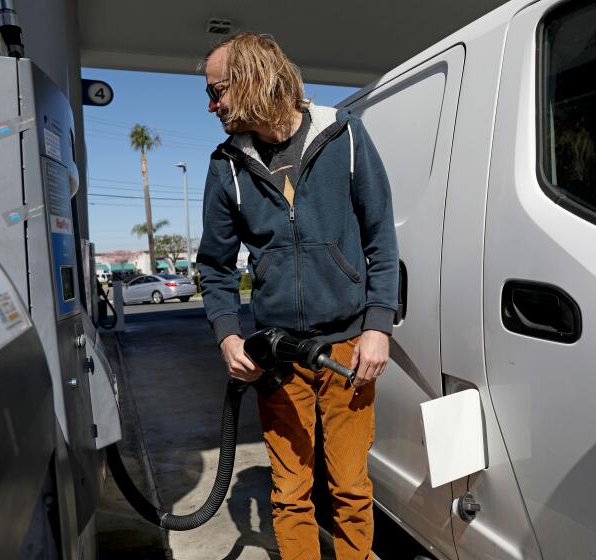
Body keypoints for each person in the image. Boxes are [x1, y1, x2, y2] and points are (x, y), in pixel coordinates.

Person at [196, 32, 398, 560]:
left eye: (218, 91)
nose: (212, 105)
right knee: (290, 494)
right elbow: (214, 267)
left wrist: (378, 325)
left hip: (349, 351)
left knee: (351, 489)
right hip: (278, 357)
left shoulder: (345, 136)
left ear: (254, 78)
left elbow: (381, 238)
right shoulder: (227, 167)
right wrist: (227, 335)